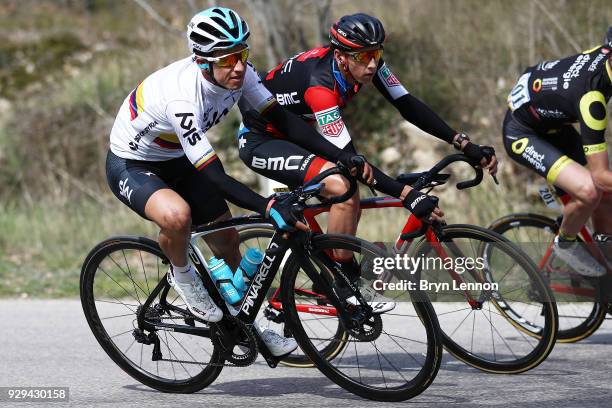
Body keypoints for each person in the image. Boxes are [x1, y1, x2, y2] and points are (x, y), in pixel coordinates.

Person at [106, 7, 366, 356]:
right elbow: (215, 174)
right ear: (202, 62)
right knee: (178, 216)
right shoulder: (182, 98)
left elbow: (283, 122)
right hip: (133, 163)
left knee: (227, 242)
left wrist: (340, 155)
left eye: (242, 54)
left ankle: (249, 327)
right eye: (227, 60)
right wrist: (266, 205)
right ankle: (183, 278)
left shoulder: (242, 76)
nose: (239, 66)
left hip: (177, 159)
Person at [237, 13, 497, 303]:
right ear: (341, 56)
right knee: (344, 187)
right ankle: (344, 278)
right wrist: (407, 194)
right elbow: (349, 158)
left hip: (302, 134)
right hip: (263, 141)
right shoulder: (320, 87)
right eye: (363, 56)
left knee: (349, 193)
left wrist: (462, 142)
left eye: (376, 53)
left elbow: (407, 104)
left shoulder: (367, 65)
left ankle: (331, 270)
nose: (372, 63)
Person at [503, 26, 612, 277]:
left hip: (551, 122)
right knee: (591, 190)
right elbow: (600, 175)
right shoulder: (591, 98)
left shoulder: (605, 55)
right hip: (523, 132)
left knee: (606, 196)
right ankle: (566, 243)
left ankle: (604, 258)